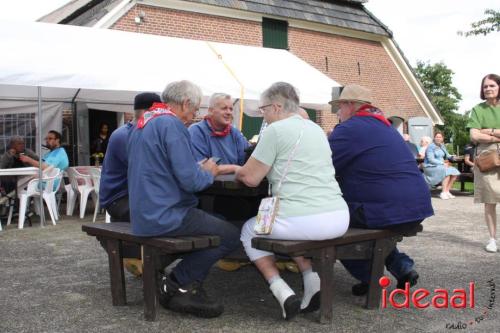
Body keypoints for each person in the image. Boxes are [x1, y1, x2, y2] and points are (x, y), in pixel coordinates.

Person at [236, 82, 350, 320]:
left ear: (276, 107)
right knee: (289, 226)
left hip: (305, 220)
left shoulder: (274, 131)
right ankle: (312, 281)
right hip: (339, 217)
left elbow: (251, 178)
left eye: (263, 109)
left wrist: (231, 169)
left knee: (249, 230)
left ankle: (281, 289)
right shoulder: (316, 129)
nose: (262, 115)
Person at [127, 80, 240, 318]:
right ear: (185, 102)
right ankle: (178, 283)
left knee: (215, 219)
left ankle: (176, 274)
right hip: (166, 214)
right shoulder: (171, 123)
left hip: (143, 212)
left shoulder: (144, 122)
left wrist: (193, 167)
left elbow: (161, 167)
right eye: (195, 109)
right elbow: (192, 182)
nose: (194, 116)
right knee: (230, 235)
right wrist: (208, 171)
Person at [328, 84, 433, 297]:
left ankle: (371, 277)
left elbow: (321, 165)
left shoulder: (350, 128)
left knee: (331, 221)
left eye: (339, 107)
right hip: (416, 207)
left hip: (390, 208)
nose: (337, 113)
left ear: (349, 105)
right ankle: (402, 267)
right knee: (371, 220)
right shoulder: (385, 126)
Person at [100, 92, 161, 223]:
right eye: (159, 113)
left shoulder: (140, 132)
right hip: (118, 199)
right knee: (164, 216)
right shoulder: (124, 135)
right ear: (150, 113)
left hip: (133, 195)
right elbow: (146, 169)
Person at [467, 73, 500, 253]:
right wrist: (496, 135)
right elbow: (474, 135)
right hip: (487, 158)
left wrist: (490, 130)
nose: (488, 89)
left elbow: (480, 133)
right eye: (485, 86)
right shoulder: (477, 109)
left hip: (491, 149)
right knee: (490, 201)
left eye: (492, 86)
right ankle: (492, 239)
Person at [189, 93, 249, 174]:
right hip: (209, 185)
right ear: (210, 111)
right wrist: (234, 168)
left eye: (231, 109)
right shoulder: (196, 131)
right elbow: (201, 168)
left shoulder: (235, 133)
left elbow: (246, 163)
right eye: (224, 108)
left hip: (234, 184)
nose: (229, 112)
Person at [423, 132, 460, 199]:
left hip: (441, 165)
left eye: (440, 137)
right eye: (437, 137)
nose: (438, 138)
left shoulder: (442, 146)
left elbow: (447, 155)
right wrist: (442, 163)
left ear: (442, 138)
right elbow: (431, 159)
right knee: (447, 171)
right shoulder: (431, 147)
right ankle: (443, 193)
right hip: (430, 166)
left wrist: (453, 157)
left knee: (455, 172)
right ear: (434, 138)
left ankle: (447, 191)